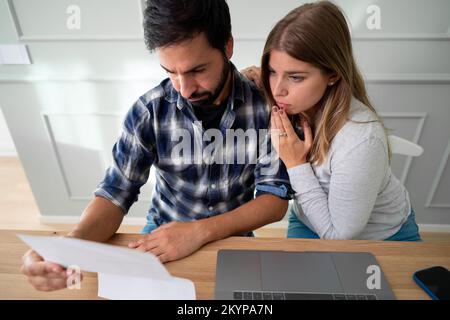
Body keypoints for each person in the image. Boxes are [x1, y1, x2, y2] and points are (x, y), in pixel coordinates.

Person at [20, 0, 292, 292]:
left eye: (197, 70)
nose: (184, 89)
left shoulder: (267, 109)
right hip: (160, 235)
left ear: (227, 47)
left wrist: (199, 232)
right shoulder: (149, 111)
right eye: (171, 72)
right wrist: (70, 246)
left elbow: (274, 200)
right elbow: (114, 194)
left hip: (234, 237)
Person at [245, 1, 421, 241]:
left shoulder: (361, 139)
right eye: (273, 71)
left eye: (295, 77)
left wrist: (296, 164)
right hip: (308, 218)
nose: (277, 90)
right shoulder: (291, 102)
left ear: (332, 75)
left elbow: (339, 235)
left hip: (381, 236)